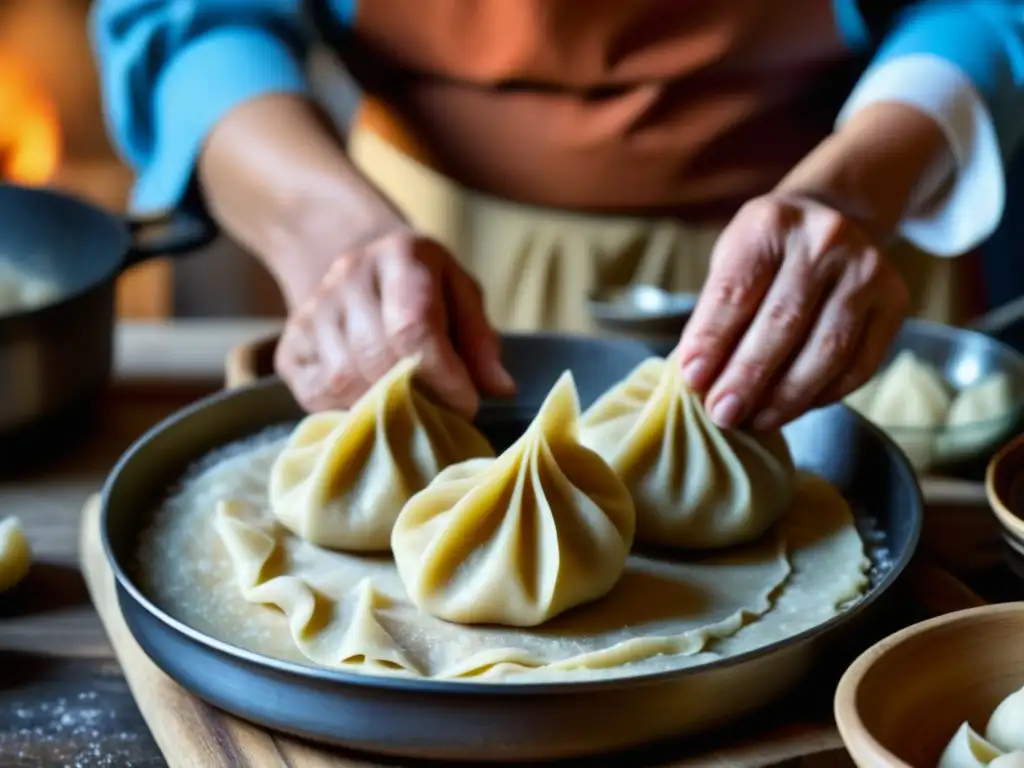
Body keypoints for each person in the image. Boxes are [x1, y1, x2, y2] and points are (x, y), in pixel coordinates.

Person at [91, 1, 1024, 430]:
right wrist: (328, 230)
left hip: (833, 265)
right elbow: (192, 15)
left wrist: (858, 188)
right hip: (430, 266)